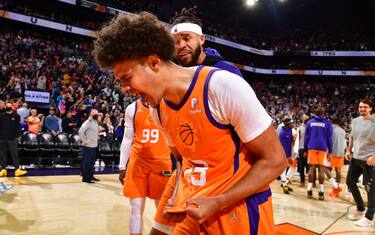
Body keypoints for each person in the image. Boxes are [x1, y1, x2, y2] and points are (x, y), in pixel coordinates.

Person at [93, 12, 286, 234]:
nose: (124, 90)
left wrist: (218, 201)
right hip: (195, 205)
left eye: (126, 78)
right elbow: (183, 163)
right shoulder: (158, 109)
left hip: (238, 210)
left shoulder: (222, 85)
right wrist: (166, 214)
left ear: (154, 62)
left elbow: (276, 160)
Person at [118, 99, 172, 235]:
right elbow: (127, 138)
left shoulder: (168, 106)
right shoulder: (132, 108)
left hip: (161, 163)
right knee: (136, 208)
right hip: (138, 163)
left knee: (163, 210)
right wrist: (122, 165)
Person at [170, 7, 242, 77]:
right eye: (176, 42)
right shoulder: (173, 74)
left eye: (186, 38)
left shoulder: (228, 72)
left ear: (201, 39)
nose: (181, 45)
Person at [345, 98, 375, 227]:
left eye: (365, 107)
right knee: (350, 181)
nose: (362, 109)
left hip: (370, 160)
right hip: (356, 158)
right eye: (360, 107)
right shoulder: (355, 121)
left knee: (370, 189)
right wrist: (348, 150)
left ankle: (369, 218)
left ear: (371, 108)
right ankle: (361, 208)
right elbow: (352, 136)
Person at [304, 108, 333, 200]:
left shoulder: (309, 123)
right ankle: (321, 191)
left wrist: (305, 149)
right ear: (323, 113)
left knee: (311, 168)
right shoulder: (328, 123)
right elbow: (330, 138)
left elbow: (306, 137)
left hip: (312, 147)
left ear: (314, 113)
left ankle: (309, 189)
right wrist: (330, 151)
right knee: (321, 169)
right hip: (323, 148)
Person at [0, 102, 27, 177]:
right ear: (5, 107)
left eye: (9, 106)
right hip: (2, 139)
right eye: (7, 106)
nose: (8, 107)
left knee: (15, 154)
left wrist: (17, 136)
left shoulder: (16, 116)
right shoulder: (1, 115)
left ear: (12, 107)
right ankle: (3, 170)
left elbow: (18, 127)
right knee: (2, 155)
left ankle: (17, 170)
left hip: (12, 139)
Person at [326, 117, 346, 197]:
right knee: (338, 170)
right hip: (341, 152)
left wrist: (328, 152)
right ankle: (336, 187)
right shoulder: (343, 131)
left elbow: (329, 142)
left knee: (325, 169)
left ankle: (335, 187)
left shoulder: (331, 129)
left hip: (333, 152)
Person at [78, 109, 100, 183]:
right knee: (87, 162)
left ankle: (90, 176)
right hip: (88, 146)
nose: (97, 115)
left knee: (92, 162)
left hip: (94, 145)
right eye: (96, 114)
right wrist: (85, 140)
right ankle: (86, 178)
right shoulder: (88, 122)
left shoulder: (95, 122)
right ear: (91, 114)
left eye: (98, 114)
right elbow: (80, 131)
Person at [278, 118, 299, 194]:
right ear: (287, 124)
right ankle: (284, 184)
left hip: (290, 154)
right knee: (283, 168)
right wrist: (288, 157)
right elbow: (283, 147)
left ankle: (285, 183)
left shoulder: (290, 131)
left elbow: (293, 142)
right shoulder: (283, 134)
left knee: (293, 168)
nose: (293, 124)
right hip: (285, 154)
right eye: (291, 123)